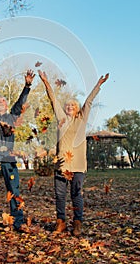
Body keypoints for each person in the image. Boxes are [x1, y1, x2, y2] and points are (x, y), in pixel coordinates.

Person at [38, 70, 109, 236]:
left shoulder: (82, 119)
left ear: (77, 108)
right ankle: (61, 222)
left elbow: (89, 102)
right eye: (67, 105)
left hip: (77, 165)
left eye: (73, 105)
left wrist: (98, 85)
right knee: (60, 195)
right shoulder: (61, 119)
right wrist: (46, 82)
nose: (70, 107)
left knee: (76, 194)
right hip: (62, 165)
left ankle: (77, 223)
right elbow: (53, 99)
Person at [0, 61, 35, 236]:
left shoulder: (11, 118)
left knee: (15, 193)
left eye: (4, 100)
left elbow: (19, 104)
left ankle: (18, 222)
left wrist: (27, 86)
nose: (1, 102)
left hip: (9, 160)